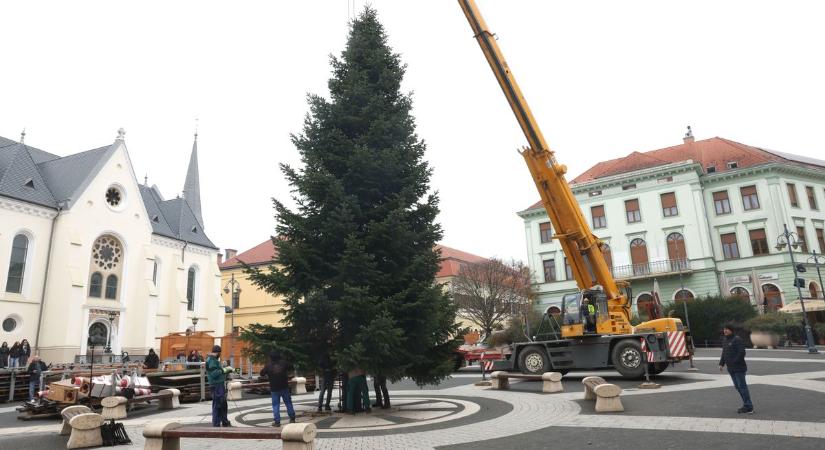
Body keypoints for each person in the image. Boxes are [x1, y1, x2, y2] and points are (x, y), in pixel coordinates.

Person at [719, 324, 754, 414]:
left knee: (742, 387)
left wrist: (735, 361)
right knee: (738, 387)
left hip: (739, 367)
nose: (725, 331)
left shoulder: (737, 339)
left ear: (731, 330)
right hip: (731, 368)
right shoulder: (725, 340)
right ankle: (746, 404)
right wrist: (721, 363)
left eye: (727, 329)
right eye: (724, 329)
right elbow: (724, 352)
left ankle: (748, 406)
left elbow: (742, 352)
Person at [261, 351, 295, 427]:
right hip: (284, 386)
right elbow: (291, 367)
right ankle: (292, 418)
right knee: (288, 403)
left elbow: (262, 373)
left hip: (274, 388)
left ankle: (277, 422)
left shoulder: (268, 365)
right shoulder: (284, 363)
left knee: (275, 405)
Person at [205, 345, 231, 427]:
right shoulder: (212, 360)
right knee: (218, 404)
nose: (220, 354)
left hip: (218, 384)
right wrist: (224, 370)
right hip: (216, 385)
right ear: (217, 352)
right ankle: (216, 423)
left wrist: (224, 369)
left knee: (222, 404)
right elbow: (214, 374)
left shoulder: (214, 359)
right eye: (219, 352)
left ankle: (224, 421)